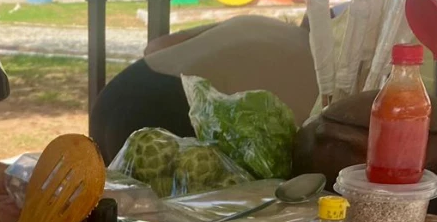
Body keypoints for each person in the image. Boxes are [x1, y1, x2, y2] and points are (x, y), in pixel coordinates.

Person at [90, 16, 318, 162]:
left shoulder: (257, 22)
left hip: (118, 93)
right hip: (178, 119)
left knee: (104, 212)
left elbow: (156, 47)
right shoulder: (330, 82)